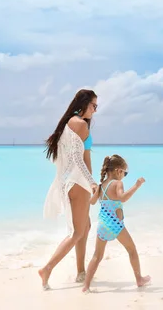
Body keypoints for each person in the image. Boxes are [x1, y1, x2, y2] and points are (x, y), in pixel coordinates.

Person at [39, 89, 99, 290]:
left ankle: (81, 272)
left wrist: (93, 182)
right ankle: (47, 268)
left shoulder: (72, 124)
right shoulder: (79, 124)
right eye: (93, 106)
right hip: (78, 182)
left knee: (85, 227)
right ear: (84, 103)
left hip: (76, 182)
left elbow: (86, 157)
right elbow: (76, 158)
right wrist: (91, 182)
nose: (95, 110)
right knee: (76, 232)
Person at [82, 154, 151, 293]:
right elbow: (123, 198)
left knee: (97, 256)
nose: (124, 175)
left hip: (102, 224)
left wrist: (96, 190)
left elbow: (92, 202)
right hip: (115, 225)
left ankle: (86, 286)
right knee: (132, 250)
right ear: (118, 170)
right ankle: (139, 279)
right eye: (125, 172)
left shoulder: (102, 185)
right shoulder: (118, 183)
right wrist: (137, 186)